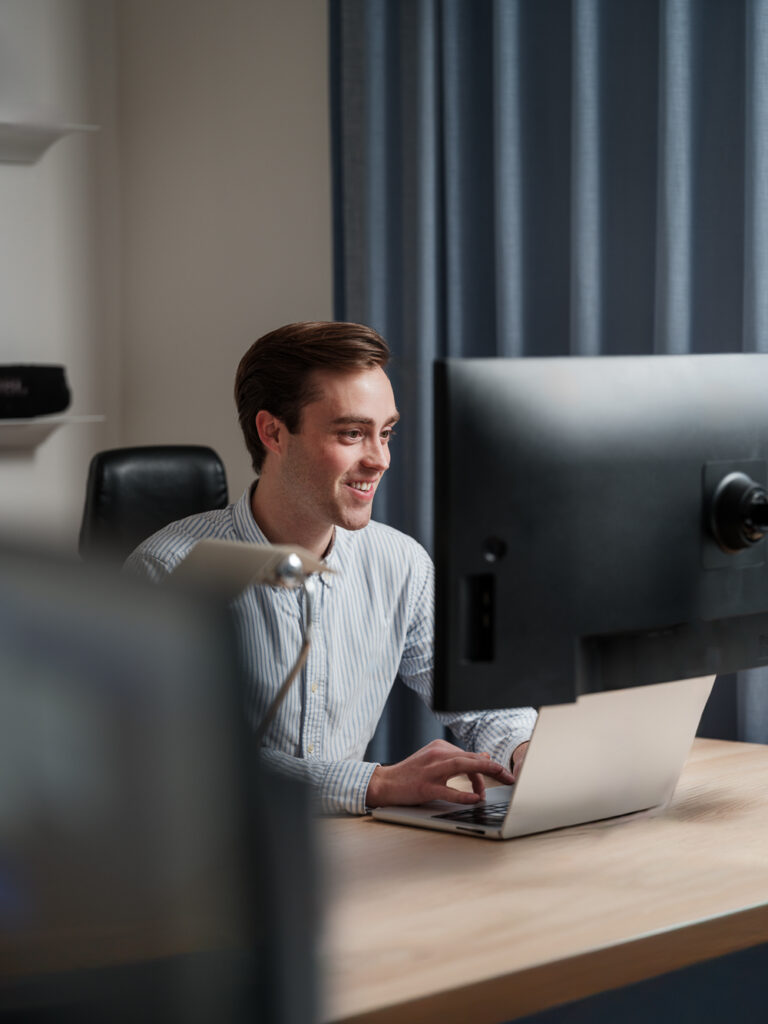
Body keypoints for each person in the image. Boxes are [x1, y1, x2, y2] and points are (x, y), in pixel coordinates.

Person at [125, 321, 536, 814]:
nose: (380, 459)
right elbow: (185, 762)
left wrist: (525, 750)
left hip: (353, 849)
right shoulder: (167, 571)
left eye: (386, 433)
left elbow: (484, 699)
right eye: (352, 433)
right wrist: (374, 784)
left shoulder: (400, 563)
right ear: (272, 432)